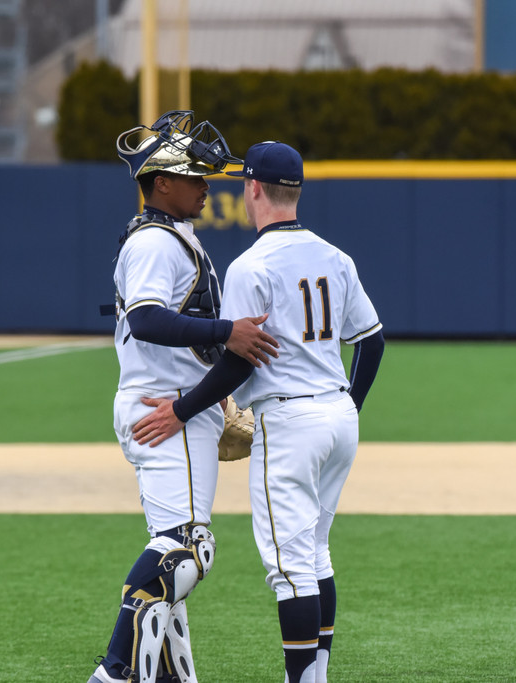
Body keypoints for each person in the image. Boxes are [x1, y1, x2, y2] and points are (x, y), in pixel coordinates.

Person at [132, 141, 385, 683]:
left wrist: (182, 408)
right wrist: (350, 405)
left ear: (251, 189)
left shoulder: (252, 264)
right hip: (340, 418)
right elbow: (372, 341)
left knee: (291, 569)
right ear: (295, 190)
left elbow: (238, 362)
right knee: (316, 555)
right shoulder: (335, 256)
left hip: (290, 423)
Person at [88, 112, 280, 683]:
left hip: (170, 401)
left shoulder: (171, 237)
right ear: (161, 182)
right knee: (189, 549)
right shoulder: (155, 242)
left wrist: (214, 396)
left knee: (175, 543)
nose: (206, 186)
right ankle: (117, 670)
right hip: (163, 407)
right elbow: (147, 319)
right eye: (195, 177)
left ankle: (170, 675)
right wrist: (227, 334)